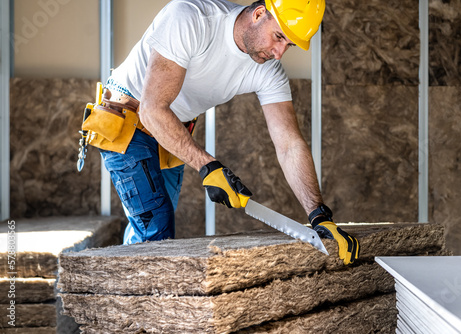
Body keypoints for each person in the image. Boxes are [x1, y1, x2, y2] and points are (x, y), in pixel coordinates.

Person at [82, 0, 359, 265]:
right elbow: (153, 110)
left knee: (150, 228)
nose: (279, 52)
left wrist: (319, 216)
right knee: (156, 228)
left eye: (289, 45)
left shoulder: (269, 71)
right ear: (259, 14)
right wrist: (208, 166)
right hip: (129, 118)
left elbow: (290, 145)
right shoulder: (190, 18)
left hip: (173, 133)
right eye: (278, 36)